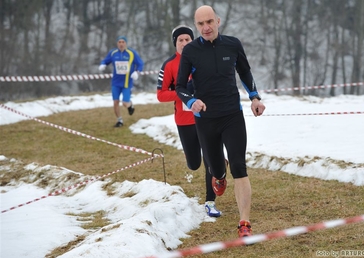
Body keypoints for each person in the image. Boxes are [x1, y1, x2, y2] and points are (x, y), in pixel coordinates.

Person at [176, 5, 266, 237]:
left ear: (217, 21)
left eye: (209, 22)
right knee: (215, 168)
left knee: (239, 166)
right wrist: (192, 100)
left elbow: (245, 73)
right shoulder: (191, 51)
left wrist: (254, 97)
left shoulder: (233, 44)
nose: (206, 27)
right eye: (200, 24)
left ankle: (244, 222)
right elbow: (180, 87)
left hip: (231, 115)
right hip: (205, 119)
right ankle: (219, 173)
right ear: (196, 26)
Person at [157, 25, 221, 217]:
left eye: (187, 39)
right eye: (180, 40)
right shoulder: (169, 65)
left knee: (210, 160)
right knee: (193, 163)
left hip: (206, 118)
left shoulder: (203, 59)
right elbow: (160, 95)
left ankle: (210, 201)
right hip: (184, 121)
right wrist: (183, 94)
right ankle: (215, 160)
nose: (184, 43)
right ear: (175, 44)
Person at [99, 36, 144, 127]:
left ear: (126, 43)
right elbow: (106, 60)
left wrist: (137, 72)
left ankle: (130, 105)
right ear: (117, 43)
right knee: (115, 102)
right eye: (119, 42)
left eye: (123, 42)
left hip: (126, 82)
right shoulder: (113, 53)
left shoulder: (131, 53)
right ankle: (119, 121)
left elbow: (140, 63)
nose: (121, 44)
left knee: (124, 102)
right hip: (115, 82)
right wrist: (103, 64)